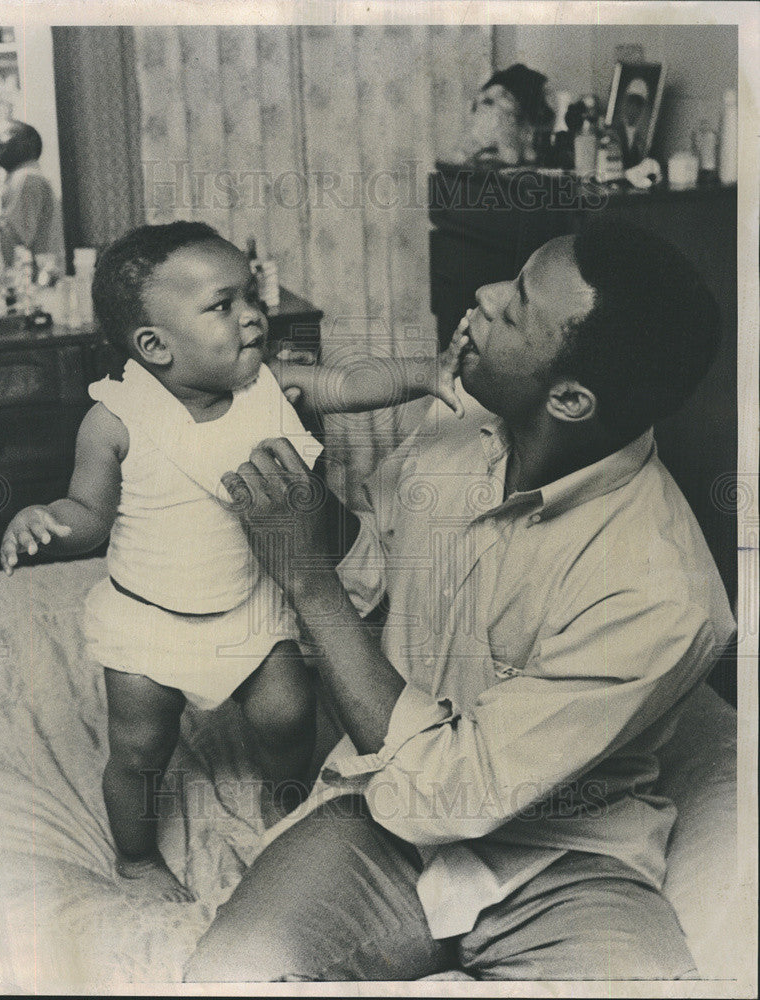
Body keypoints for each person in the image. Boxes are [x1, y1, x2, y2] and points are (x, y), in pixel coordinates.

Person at [185, 219, 736, 981]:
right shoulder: (459, 416)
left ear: (570, 399)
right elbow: (376, 566)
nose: (481, 296)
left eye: (514, 308)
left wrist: (303, 577)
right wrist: (304, 494)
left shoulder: (665, 594)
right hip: (377, 815)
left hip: (566, 859)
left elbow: (452, 789)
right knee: (231, 975)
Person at [0, 221, 466, 903]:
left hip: (249, 605)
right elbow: (87, 513)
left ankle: (285, 807)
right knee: (138, 751)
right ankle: (135, 858)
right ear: (155, 346)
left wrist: (429, 375)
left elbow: (348, 383)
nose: (253, 313)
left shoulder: (268, 387)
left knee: (286, 714)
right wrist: (44, 522)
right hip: (149, 620)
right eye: (223, 305)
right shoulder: (117, 419)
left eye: (251, 295)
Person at [0, 120, 64, 271]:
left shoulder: (27, 178)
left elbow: (10, 240)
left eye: (4, 137)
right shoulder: (24, 177)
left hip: (35, 286)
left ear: (25, 144)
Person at [615, 76, 652, 168]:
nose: (633, 108)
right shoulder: (614, 131)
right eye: (631, 103)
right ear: (625, 103)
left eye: (638, 104)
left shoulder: (642, 137)